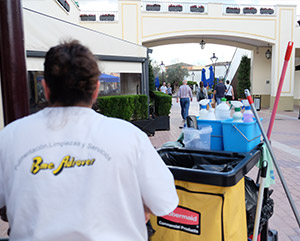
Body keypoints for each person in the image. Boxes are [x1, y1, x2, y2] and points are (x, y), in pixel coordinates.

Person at [0, 40, 178, 241]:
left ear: (45, 88)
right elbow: (164, 202)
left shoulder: (10, 136)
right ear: (96, 91)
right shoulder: (130, 136)